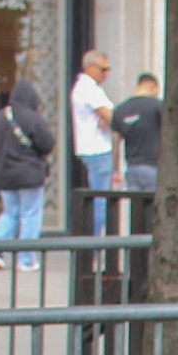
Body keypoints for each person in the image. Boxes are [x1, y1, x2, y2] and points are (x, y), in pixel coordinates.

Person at [0, 79, 54, 272]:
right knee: (30, 214)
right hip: (28, 174)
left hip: (4, 174)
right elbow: (47, 144)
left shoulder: (0, 117)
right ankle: (25, 259)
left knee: (10, 212)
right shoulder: (32, 117)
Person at [70, 49, 116, 234]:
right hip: (97, 151)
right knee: (100, 202)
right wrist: (110, 117)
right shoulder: (88, 88)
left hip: (95, 150)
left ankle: (96, 246)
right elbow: (111, 115)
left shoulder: (91, 88)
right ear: (90, 67)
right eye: (103, 69)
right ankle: (96, 247)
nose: (106, 74)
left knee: (100, 201)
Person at [110, 72, 161, 197]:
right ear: (153, 87)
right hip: (153, 166)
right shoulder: (157, 106)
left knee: (136, 208)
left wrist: (116, 170)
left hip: (132, 168)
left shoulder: (121, 110)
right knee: (153, 207)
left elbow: (115, 142)